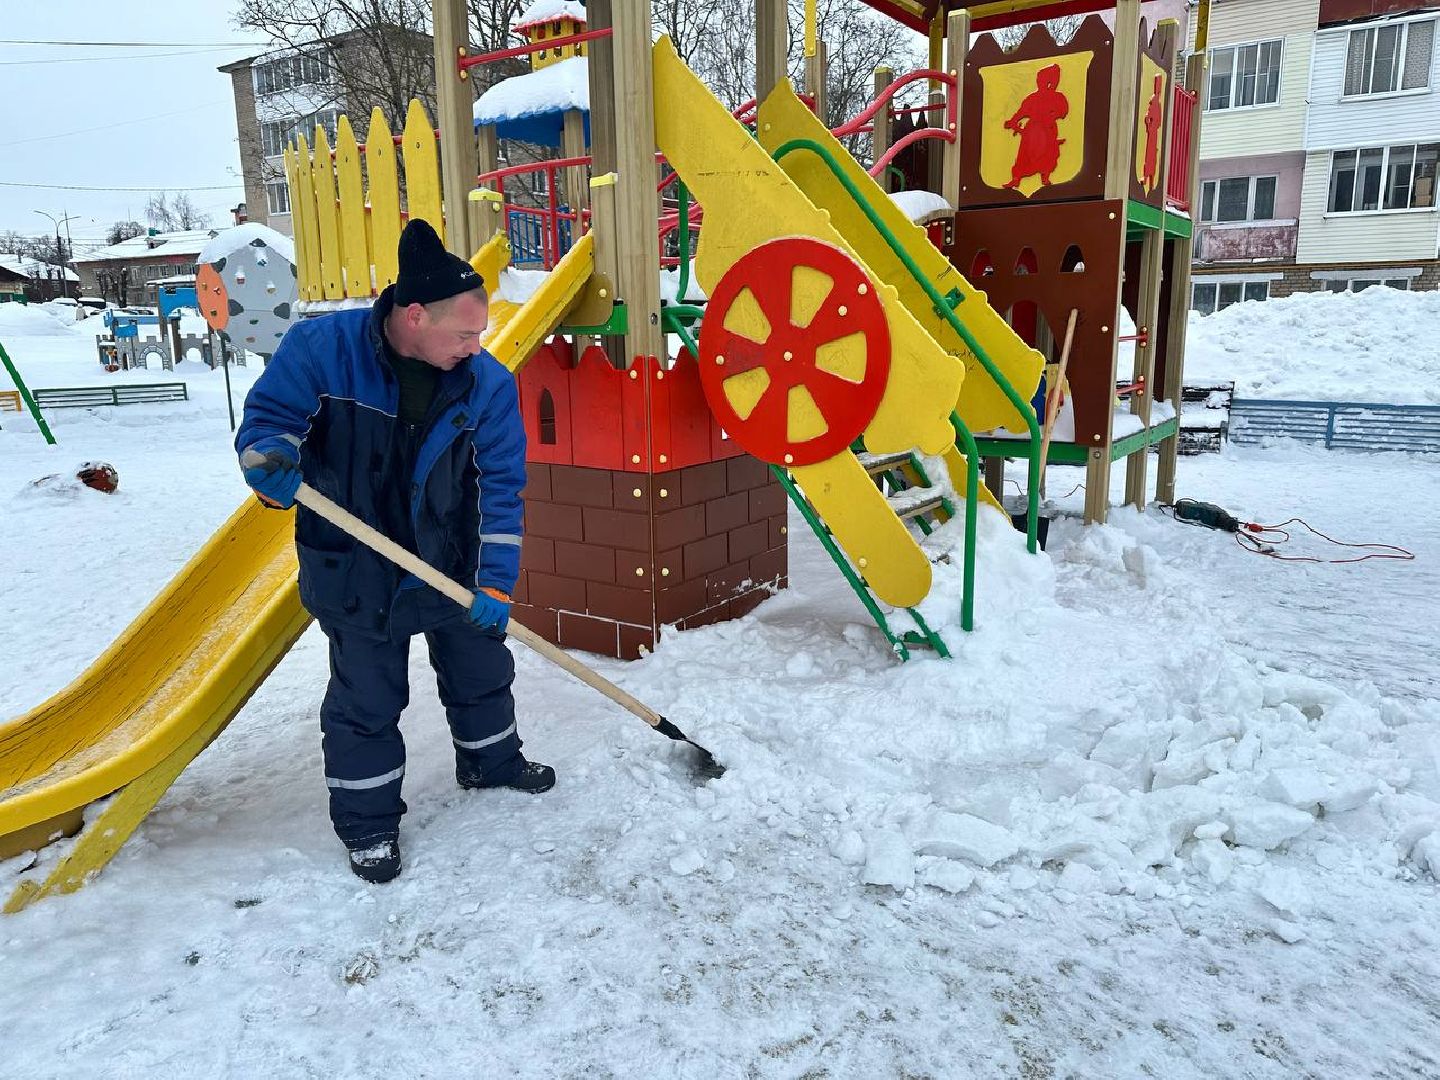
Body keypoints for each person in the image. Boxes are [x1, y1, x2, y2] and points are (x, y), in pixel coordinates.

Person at [235, 218, 553, 885]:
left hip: (450, 558)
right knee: (366, 701)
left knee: (480, 671)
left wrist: (495, 584)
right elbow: (269, 424)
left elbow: (503, 488)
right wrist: (272, 458)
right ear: (414, 317)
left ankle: (490, 761)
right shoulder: (323, 351)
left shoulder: (485, 385)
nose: (476, 346)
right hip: (354, 562)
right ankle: (369, 825)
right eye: (464, 333)